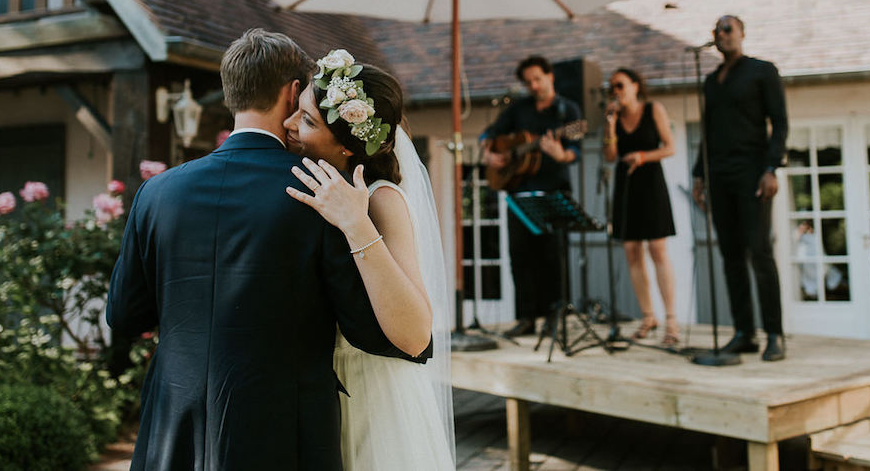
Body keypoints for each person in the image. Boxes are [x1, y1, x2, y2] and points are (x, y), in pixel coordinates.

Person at [106, 30, 425, 470]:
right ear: (294, 92)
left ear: (229, 90)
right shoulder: (320, 191)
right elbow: (368, 330)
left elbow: (124, 316)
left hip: (172, 428)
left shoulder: (156, 192)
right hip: (283, 435)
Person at [283, 49, 455, 470]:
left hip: (372, 395)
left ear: (346, 147)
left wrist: (356, 225)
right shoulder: (316, 182)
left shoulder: (381, 198)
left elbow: (416, 334)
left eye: (306, 120)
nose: (288, 124)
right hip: (317, 396)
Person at [692, 15, 789, 362]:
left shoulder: (762, 70)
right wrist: (698, 176)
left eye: (728, 28)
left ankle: (774, 334)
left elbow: (779, 122)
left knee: (759, 251)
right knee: (730, 254)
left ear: (742, 34)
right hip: (719, 173)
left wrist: (771, 167)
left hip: (752, 171)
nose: (722, 34)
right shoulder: (710, 81)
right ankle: (744, 332)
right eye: (717, 30)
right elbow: (709, 130)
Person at [480, 55, 582, 337]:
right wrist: (490, 153)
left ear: (550, 76)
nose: (533, 85)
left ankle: (554, 315)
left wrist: (560, 154)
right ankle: (526, 317)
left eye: (537, 79)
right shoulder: (519, 109)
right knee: (520, 255)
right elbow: (489, 134)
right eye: (528, 82)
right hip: (519, 193)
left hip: (553, 192)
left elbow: (576, 152)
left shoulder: (567, 111)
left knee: (553, 256)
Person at [602, 67, 679, 346]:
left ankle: (671, 319)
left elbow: (670, 147)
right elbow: (610, 155)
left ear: (635, 86)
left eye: (620, 85)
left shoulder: (653, 109)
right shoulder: (614, 117)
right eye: (612, 87)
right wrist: (610, 127)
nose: (616, 91)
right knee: (632, 250)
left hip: (650, 181)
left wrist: (643, 156)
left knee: (657, 248)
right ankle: (648, 316)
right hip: (626, 185)